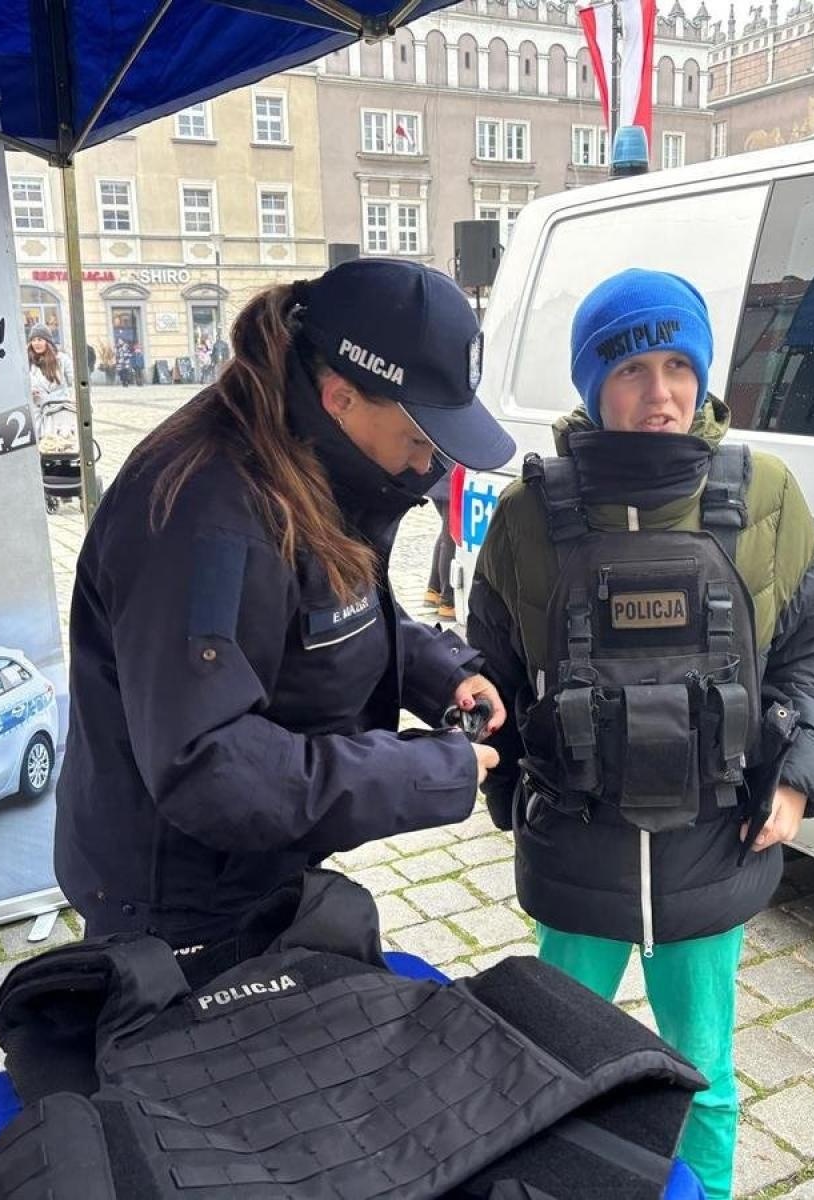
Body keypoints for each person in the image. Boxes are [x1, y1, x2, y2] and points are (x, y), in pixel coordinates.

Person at [466, 268, 814, 1198]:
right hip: (577, 858)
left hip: (711, 852)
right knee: (555, 1073)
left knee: (704, 1076)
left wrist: (797, 776)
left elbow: (812, 655)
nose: (661, 393)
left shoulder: (767, 495)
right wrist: (502, 787)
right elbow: (492, 673)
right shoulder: (527, 515)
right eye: (632, 369)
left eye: (680, 366)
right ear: (593, 383)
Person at [56, 258, 517, 988]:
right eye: (421, 436)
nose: (429, 461)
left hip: (266, 861)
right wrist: (422, 770)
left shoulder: (306, 449)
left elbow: (330, 605)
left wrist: (438, 673)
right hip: (180, 901)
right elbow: (207, 762)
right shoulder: (204, 513)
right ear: (340, 397)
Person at [424, 470, 456, 618]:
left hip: (439, 479)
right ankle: (448, 601)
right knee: (451, 536)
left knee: (447, 532)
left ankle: (433, 589)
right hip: (452, 482)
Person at [27, 324, 74, 411]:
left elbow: (74, 381)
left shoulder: (62, 359)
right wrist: (30, 391)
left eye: (40, 339)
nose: (36, 343)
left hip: (62, 408)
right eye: (33, 340)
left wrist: (68, 396)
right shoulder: (27, 362)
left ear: (48, 342)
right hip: (38, 410)